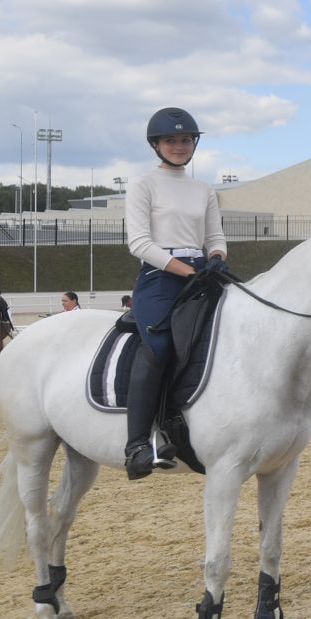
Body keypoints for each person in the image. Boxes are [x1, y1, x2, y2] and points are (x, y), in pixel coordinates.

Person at [123, 107, 227, 480]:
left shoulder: (204, 190)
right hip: (159, 278)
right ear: (156, 145)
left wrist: (215, 258)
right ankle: (138, 443)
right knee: (161, 346)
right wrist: (186, 270)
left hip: (202, 272)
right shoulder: (142, 184)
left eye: (185, 140)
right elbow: (139, 242)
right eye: (171, 140)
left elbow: (215, 238)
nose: (179, 146)